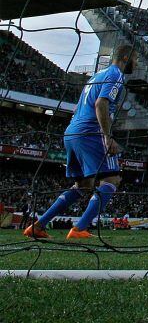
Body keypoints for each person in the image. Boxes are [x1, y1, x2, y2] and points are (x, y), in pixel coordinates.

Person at [24, 45, 135, 240]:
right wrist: (108, 136)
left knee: (83, 184)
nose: (137, 63)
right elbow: (101, 103)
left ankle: (37, 226)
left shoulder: (95, 77)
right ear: (125, 58)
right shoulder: (116, 74)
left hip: (72, 132)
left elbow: (78, 108)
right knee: (112, 179)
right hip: (91, 132)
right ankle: (79, 229)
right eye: (136, 58)